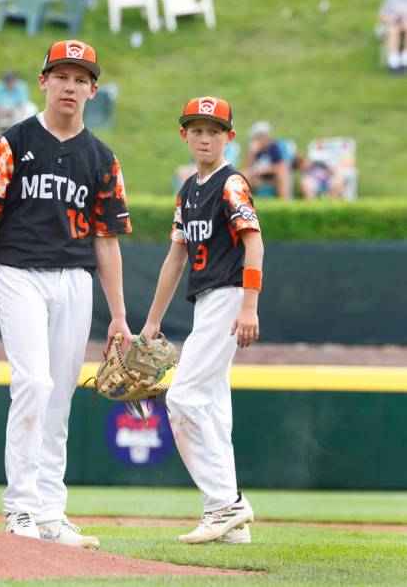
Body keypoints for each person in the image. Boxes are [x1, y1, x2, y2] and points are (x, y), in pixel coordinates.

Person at [0, 40, 132, 550]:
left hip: (75, 280)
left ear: (93, 90)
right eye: (61, 76)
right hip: (18, 273)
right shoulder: (13, 143)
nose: (70, 86)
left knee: (59, 395)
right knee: (33, 383)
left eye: (80, 78)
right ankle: (20, 508)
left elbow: (107, 240)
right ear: (43, 81)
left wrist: (119, 316)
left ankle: (51, 511)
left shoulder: (102, 157)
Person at [139, 96, 261, 544]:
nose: (204, 137)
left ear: (230, 136)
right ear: (184, 135)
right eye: (196, 129)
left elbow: (254, 243)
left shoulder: (231, 184)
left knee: (184, 399)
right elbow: (176, 258)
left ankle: (227, 503)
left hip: (229, 298)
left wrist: (249, 305)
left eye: (213, 130)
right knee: (212, 408)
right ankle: (228, 522)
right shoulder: (189, 189)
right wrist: (152, 323)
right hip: (206, 302)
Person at [0, 70, 37, 153]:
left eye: (11, 81)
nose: (9, 84)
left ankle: (15, 135)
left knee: (25, 109)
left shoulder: (21, 86)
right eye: (7, 82)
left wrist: (9, 111)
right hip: (0, 111)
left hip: (14, 111)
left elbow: (22, 104)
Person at [242, 121, 291, 199]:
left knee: (282, 174)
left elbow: (282, 166)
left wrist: (264, 170)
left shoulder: (274, 147)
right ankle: (243, 203)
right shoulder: (253, 148)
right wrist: (251, 154)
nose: (254, 140)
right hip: (257, 179)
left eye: (256, 137)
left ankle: (284, 201)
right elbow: (246, 167)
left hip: (272, 179)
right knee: (244, 175)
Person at [380, 0, 407, 74]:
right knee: (393, 30)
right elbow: (382, 15)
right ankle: (394, 62)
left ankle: (405, 58)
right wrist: (391, 18)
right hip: (393, 25)